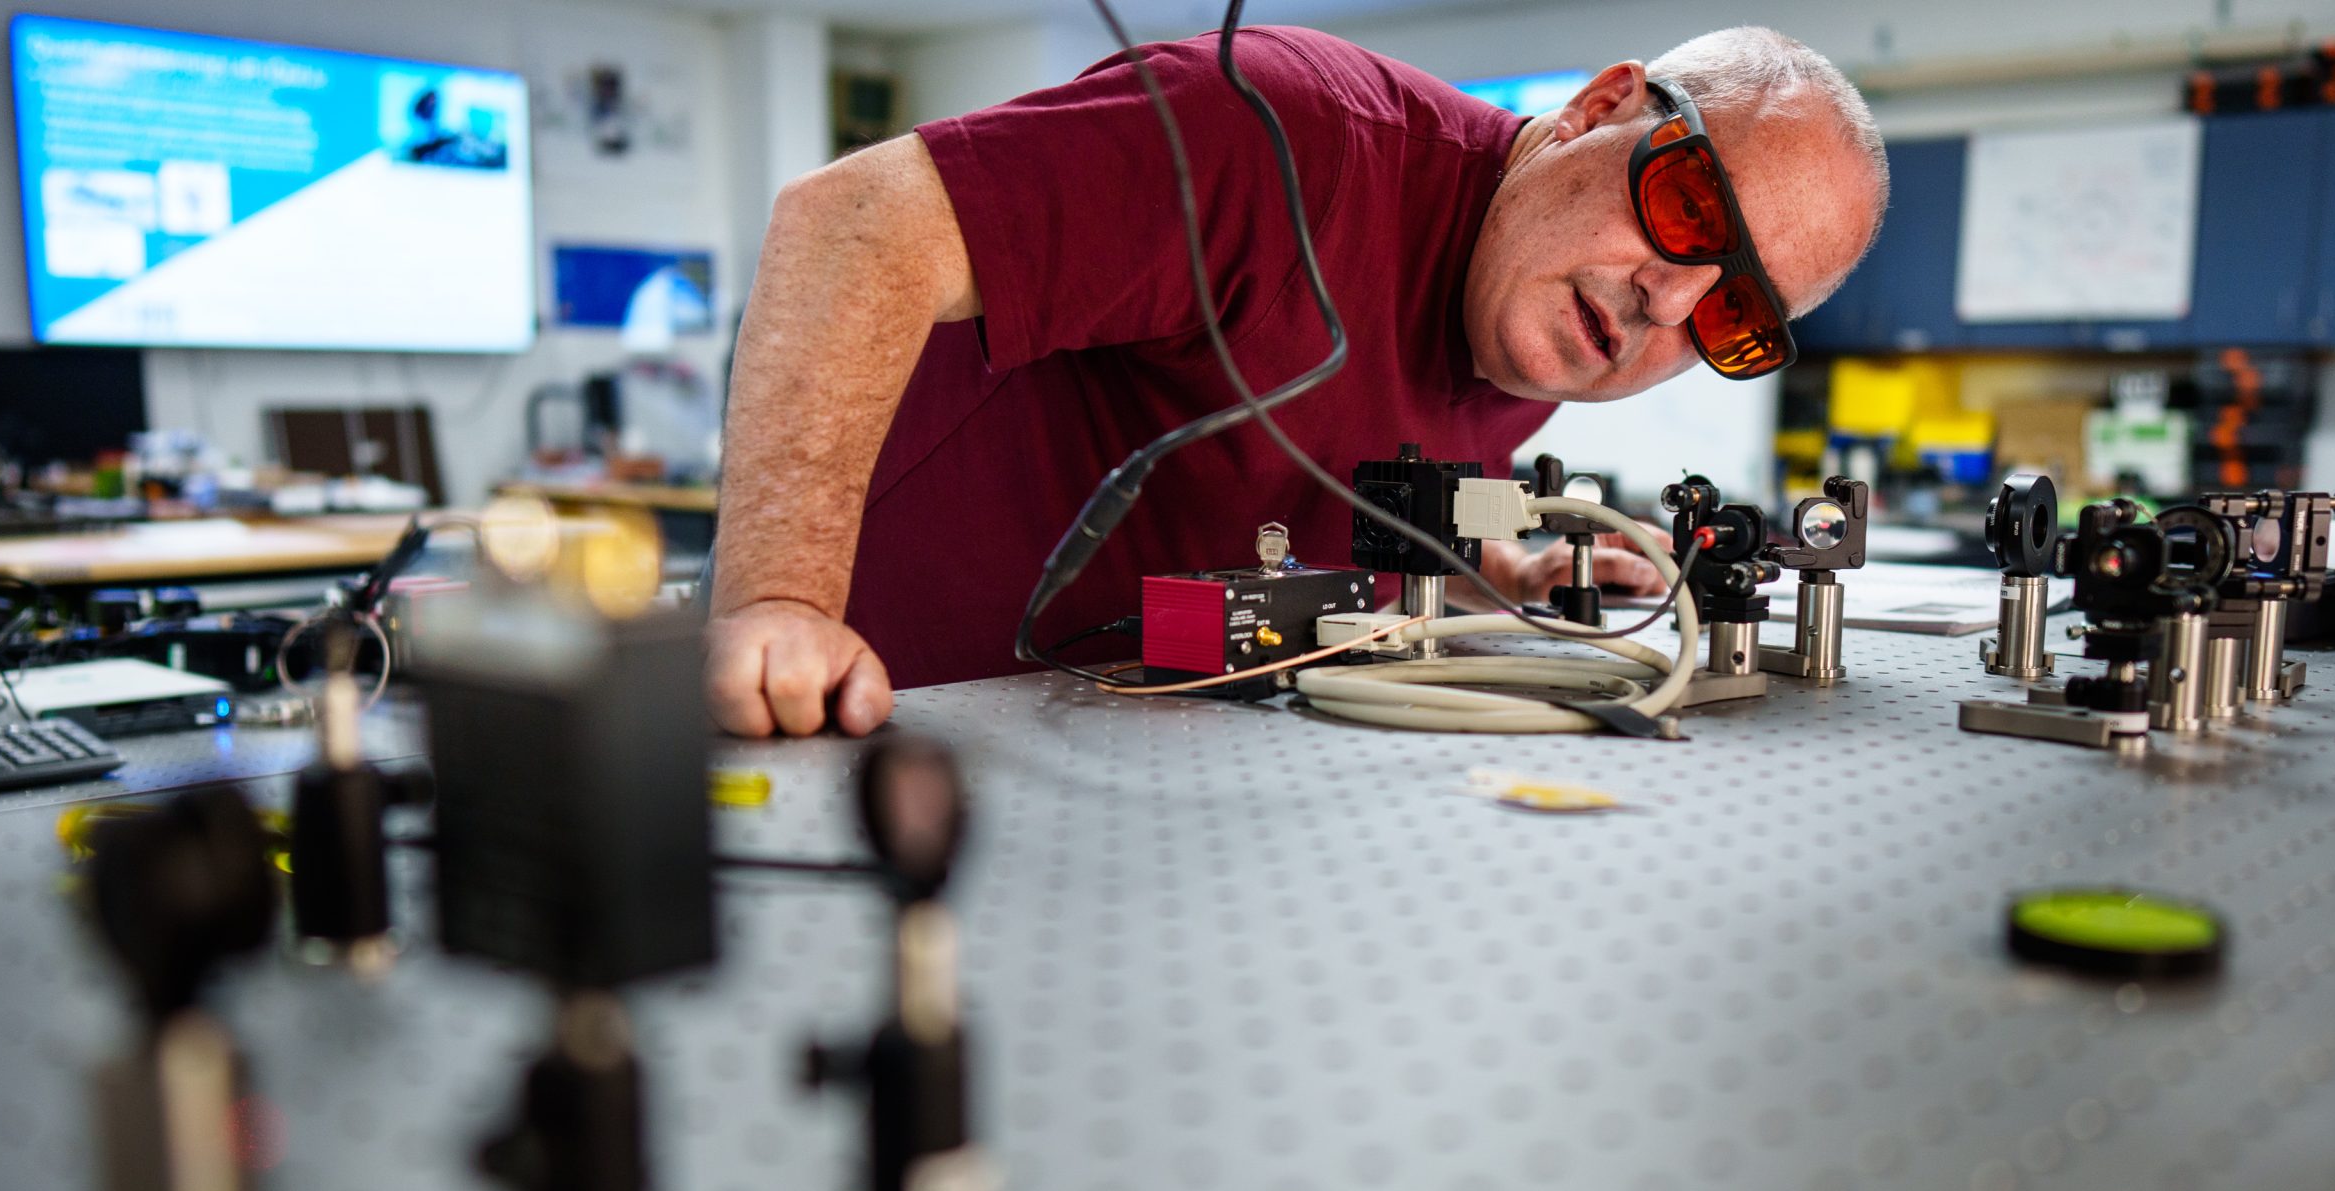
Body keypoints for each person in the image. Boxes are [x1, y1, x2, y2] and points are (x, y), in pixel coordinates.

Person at [707, 25, 1887, 737]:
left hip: (1123, 767)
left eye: (1731, 313)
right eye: (1685, 212)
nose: (1662, 308)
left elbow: (1328, 480)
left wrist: (1490, 569)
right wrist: (784, 605)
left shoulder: (1539, 308)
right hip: (862, 718)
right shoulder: (1281, 134)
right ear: (1596, 109)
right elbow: (853, 223)